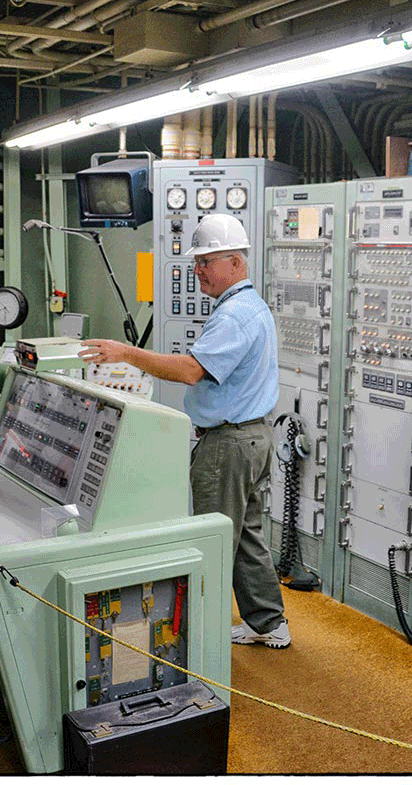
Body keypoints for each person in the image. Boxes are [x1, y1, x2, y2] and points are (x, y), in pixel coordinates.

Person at [78, 213, 290, 649]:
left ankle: (200, 644)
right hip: (252, 437)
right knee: (246, 536)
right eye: (196, 262)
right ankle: (268, 622)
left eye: (206, 262)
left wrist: (126, 353)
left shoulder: (234, 315)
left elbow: (192, 371)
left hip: (229, 444)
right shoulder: (251, 306)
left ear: (235, 263)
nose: (197, 270)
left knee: (210, 542)